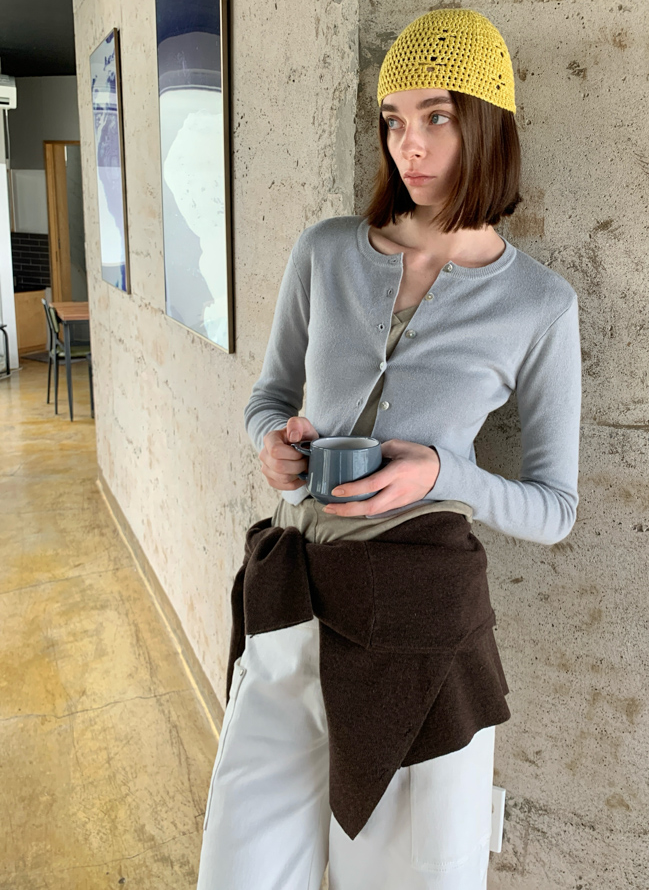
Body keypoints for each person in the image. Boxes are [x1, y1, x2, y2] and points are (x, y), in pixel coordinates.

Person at [196, 8, 581, 890]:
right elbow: (267, 399)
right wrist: (272, 443)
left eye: (438, 117)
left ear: (488, 125)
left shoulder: (539, 305)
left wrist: (446, 473)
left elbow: (556, 510)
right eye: (394, 119)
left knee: (408, 879)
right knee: (239, 869)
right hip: (291, 596)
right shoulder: (326, 250)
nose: (411, 144)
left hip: (420, 627)